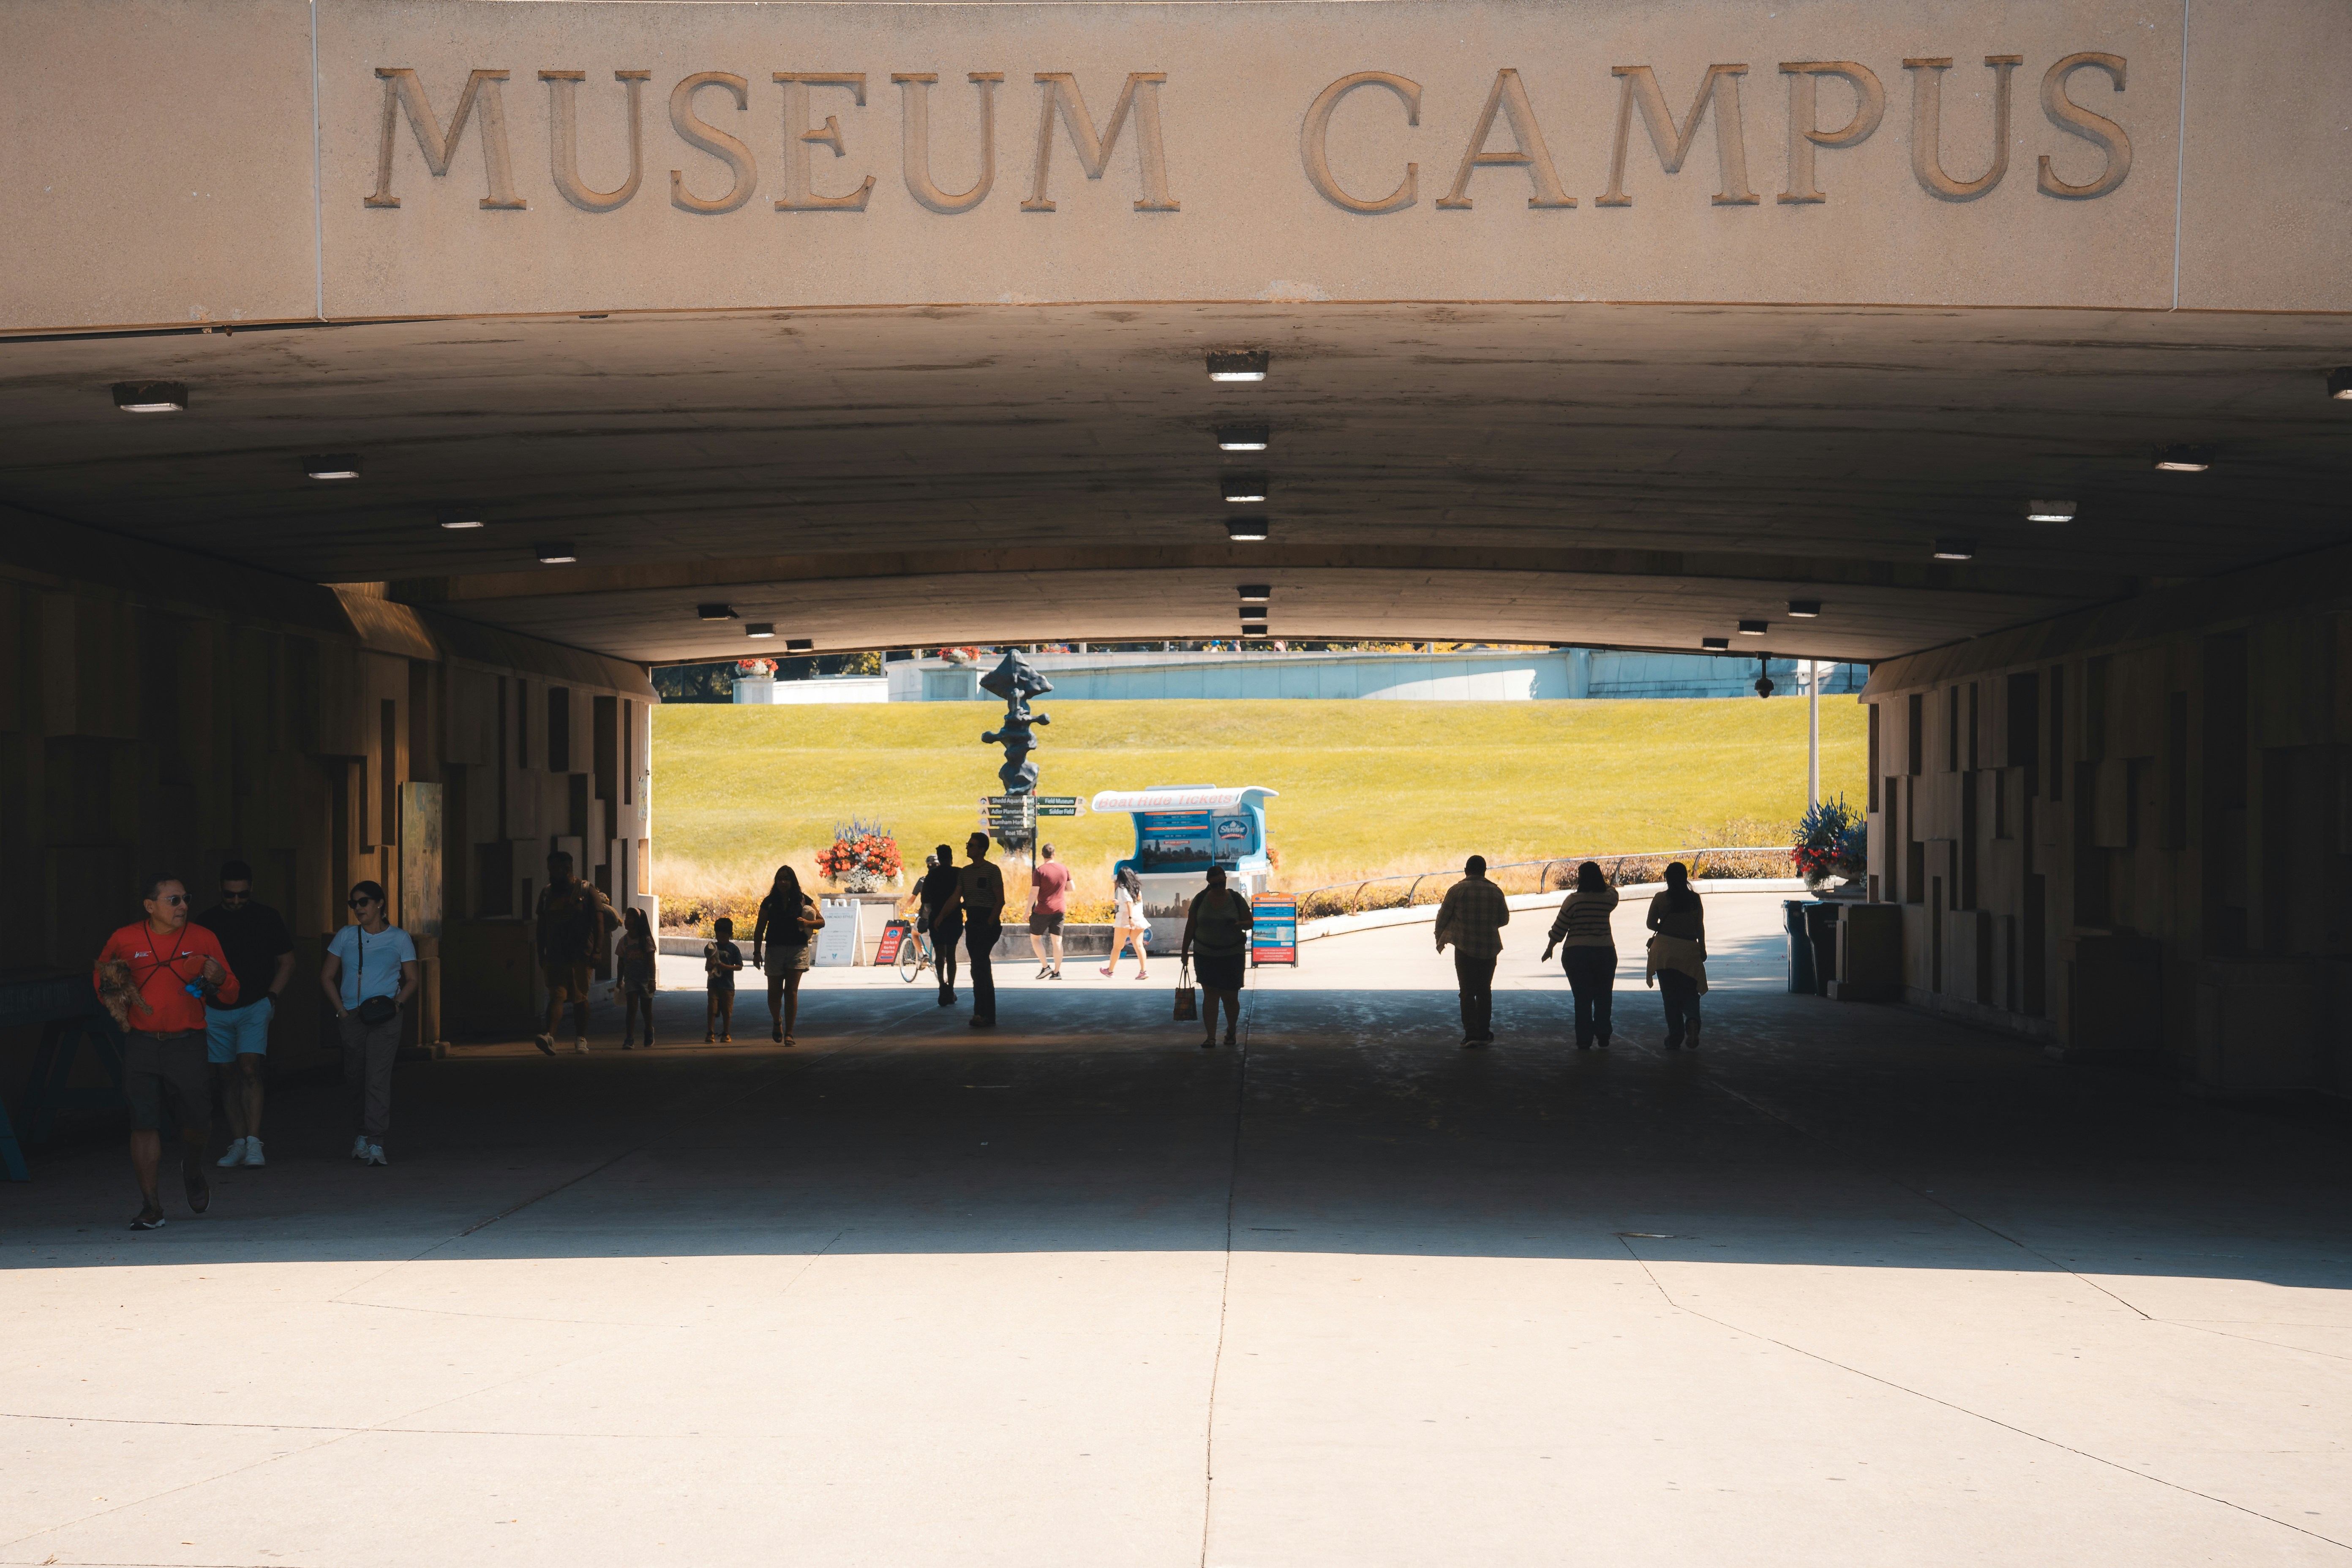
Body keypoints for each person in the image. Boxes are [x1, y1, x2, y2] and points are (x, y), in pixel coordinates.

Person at [94, 875, 238, 1230]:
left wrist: (219, 978)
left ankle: (191, 1168)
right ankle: (152, 1207)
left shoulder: (204, 937)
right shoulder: (124, 938)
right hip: (142, 1043)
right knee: (143, 1122)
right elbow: (101, 980)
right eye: (174, 900)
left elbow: (232, 994)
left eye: (185, 898)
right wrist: (115, 997)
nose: (184, 906)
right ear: (150, 906)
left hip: (188, 1042)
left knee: (198, 1121)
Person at [194, 859, 294, 1168]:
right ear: (220, 890)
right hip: (216, 1008)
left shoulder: (267, 917)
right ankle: (238, 1142)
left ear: (251, 889)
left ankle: (253, 1142)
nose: (236, 900)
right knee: (225, 1074)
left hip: (254, 1004)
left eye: (242, 895)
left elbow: (288, 961)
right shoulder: (206, 920)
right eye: (230, 895)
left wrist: (271, 998)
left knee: (250, 1068)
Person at [319, 880, 419, 1167]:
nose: (358, 908)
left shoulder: (399, 938)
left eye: (363, 902)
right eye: (354, 904)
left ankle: (376, 1140)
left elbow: (412, 978)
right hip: (353, 1016)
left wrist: (398, 1004)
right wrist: (341, 1011)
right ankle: (362, 1134)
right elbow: (326, 976)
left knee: (377, 1077)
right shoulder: (346, 936)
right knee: (356, 1077)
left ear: (379, 904)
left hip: (386, 1017)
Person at [532, 851, 618, 1055]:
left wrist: (598, 951)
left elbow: (599, 924)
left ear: (568, 869)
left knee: (580, 998)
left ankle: (581, 1039)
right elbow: (541, 926)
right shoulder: (547, 894)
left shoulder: (587, 891)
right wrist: (540, 954)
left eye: (555, 870)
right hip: (555, 955)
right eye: (550, 870)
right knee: (557, 996)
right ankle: (549, 1037)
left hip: (582, 955)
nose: (551, 874)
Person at [1433, 855, 1510, 1047]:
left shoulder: (1457, 890)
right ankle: (1484, 1032)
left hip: (1464, 948)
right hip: (1489, 948)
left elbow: (1442, 918)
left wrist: (1440, 938)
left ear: (1466, 870)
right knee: (1485, 991)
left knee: (1467, 992)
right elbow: (1504, 919)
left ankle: (1471, 1034)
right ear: (1485, 871)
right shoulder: (1496, 891)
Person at [1541, 861, 1619, 1050]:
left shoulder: (1573, 901)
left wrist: (1550, 948)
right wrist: (1601, 883)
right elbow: (1612, 891)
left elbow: (1560, 928)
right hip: (1605, 952)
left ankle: (1584, 1039)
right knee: (1604, 996)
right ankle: (1603, 1034)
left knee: (1582, 998)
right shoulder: (1609, 898)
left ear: (1581, 878)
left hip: (1577, 954)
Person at [751, 866, 824, 1045]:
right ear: (776, 882)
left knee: (791, 991)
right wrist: (756, 952)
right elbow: (760, 929)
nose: (783, 882)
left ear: (793, 882)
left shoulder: (803, 900)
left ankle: (790, 1033)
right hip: (774, 950)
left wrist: (808, 922)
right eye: (780, 879)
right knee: (774, 993)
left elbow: (821, 922)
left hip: (797, 950)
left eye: (787, 879)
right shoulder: (769, 902)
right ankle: (777, 1021)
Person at [1181, 867, 1251, 1050]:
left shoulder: (1236, 899)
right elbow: (1191, 927)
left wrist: (1239, 924)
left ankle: (1231, 1031)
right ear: (1209, 883)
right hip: (1206, 955)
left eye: (1223, 883)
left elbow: (1250, 922)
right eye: (1215, 885)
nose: (1220, 887)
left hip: (1232, 954)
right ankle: (1210, 1037)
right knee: (1210, 995)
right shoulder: (1201, 899)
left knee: (1230, 996)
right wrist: (1184, 952)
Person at [1646, 862, 1709, 1048]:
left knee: (1670, 997)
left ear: (1667, 877)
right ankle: (1692, 1021)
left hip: (1664, 953)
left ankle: (1675, 1036)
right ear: (1686, 877)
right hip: (1689, 951)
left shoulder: (1660, 898)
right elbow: (1700, 926)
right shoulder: (1695, 899)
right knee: (1690, 992)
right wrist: (1703, 948)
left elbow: (1650, 924)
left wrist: (1665, 929)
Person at [957, 832, 1006, 1028]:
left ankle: (983, 1013)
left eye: (972, 845)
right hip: (972, 924)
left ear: (982, 849)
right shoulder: (965, 873)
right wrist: (942, 915)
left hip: (987, 924)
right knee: (979, 967)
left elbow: (1000, 899)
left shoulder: (993, 871)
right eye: (968, 844)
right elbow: (957, 897)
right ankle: (984, 1014)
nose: (968, 848)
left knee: (980, 966)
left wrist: (990, 922)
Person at [918, 843, 962, 1007]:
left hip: (936, 919)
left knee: (939, 954)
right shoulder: (958, 873)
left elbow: (925, 901)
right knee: (951, 955)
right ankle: (950, 988)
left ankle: (942, 987)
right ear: (951, 858)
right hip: (955, 918)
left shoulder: (931, 876)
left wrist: (924, 919)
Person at [616, 905, 657, 1050]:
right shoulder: (624, 942)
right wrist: (619, 980)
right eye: (626, 918)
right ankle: (629, 1038)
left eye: (630, 918)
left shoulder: (645, 940)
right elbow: (620, 963)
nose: (626, 921)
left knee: (646, 1009)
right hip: (631, 980)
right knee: (631, 1008)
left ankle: (648, 1030)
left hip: (646, 980)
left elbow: (651, 961)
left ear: (638, 921)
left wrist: (653, 980)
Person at [1029, 842, 1071, 979]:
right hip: (1060, 909)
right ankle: (1057, 972)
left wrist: (1027, 911)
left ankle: (1045, 967)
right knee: (1057, 942)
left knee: (1035, 938)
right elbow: (1072, 888)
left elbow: (1034, 892)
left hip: (1043, 909)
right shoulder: (1063, 869)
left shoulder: (1040, 871)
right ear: (1054, 854)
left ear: (1042, 855)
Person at [1101, 864, 1150, 979]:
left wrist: (1130, 918)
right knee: (1139, 946)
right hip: (1139, 918)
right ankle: (1144, 971)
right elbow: (1132, 902)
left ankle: (1110, 971)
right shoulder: (1137, 888)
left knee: (1117, 947)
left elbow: (1128, 903)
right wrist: (1119, 903)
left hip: (1125, 919)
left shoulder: (1122, 888)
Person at [704, 916, 743, 1042]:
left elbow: (739, 967)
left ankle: (726, 1033)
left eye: (723, 934)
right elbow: (707, 967)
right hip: (713, 984)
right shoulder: (712, 947)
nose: (720, 936)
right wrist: (711, 965)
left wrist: (726, 967)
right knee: (712, 1009)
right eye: (718, 933)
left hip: (728, 986)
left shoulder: (734, 949)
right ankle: (710, 1032)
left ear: (730, 934)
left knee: (727, 1011)